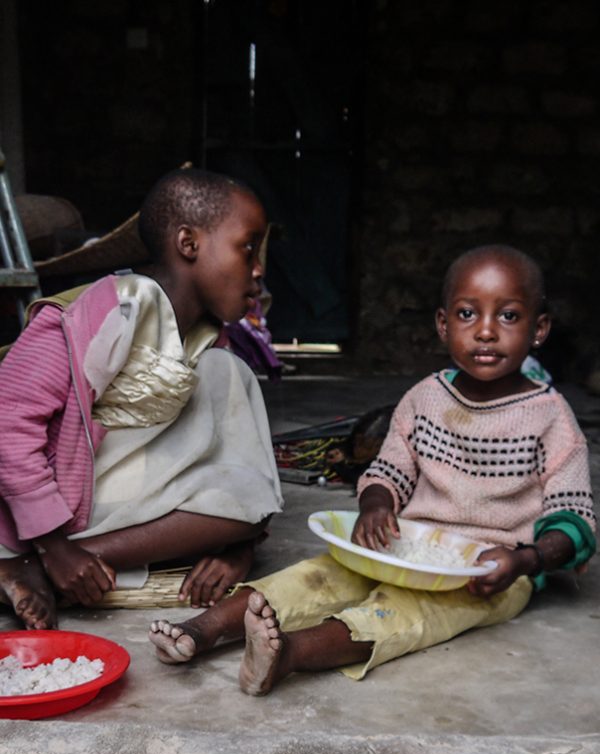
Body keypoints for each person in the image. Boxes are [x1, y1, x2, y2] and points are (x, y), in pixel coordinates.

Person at [148, 244, 596, 695]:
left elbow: (574, 521)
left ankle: (288, 654)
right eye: (466, 314)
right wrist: (377, 505)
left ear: (539, 329)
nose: (484, 332)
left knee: (402, 617)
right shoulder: (425, 399)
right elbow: (387, 471)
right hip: (407, 546)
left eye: (508, 317)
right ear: (442, 324)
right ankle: (201, 630)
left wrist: (526, 560)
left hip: (490, 571)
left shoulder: (550, 417)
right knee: (317, 575)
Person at [0, 168, 283, 629]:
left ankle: (51, 568)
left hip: (94, 511)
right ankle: (41, 559)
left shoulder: (209, 341)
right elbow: (6, 420)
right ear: (189, 244)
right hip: (45, 509)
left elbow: (247, 477)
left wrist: (239, 550)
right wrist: (54, 545)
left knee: (234, 410)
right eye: (247, 246)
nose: (258, 270)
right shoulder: (103, 311)